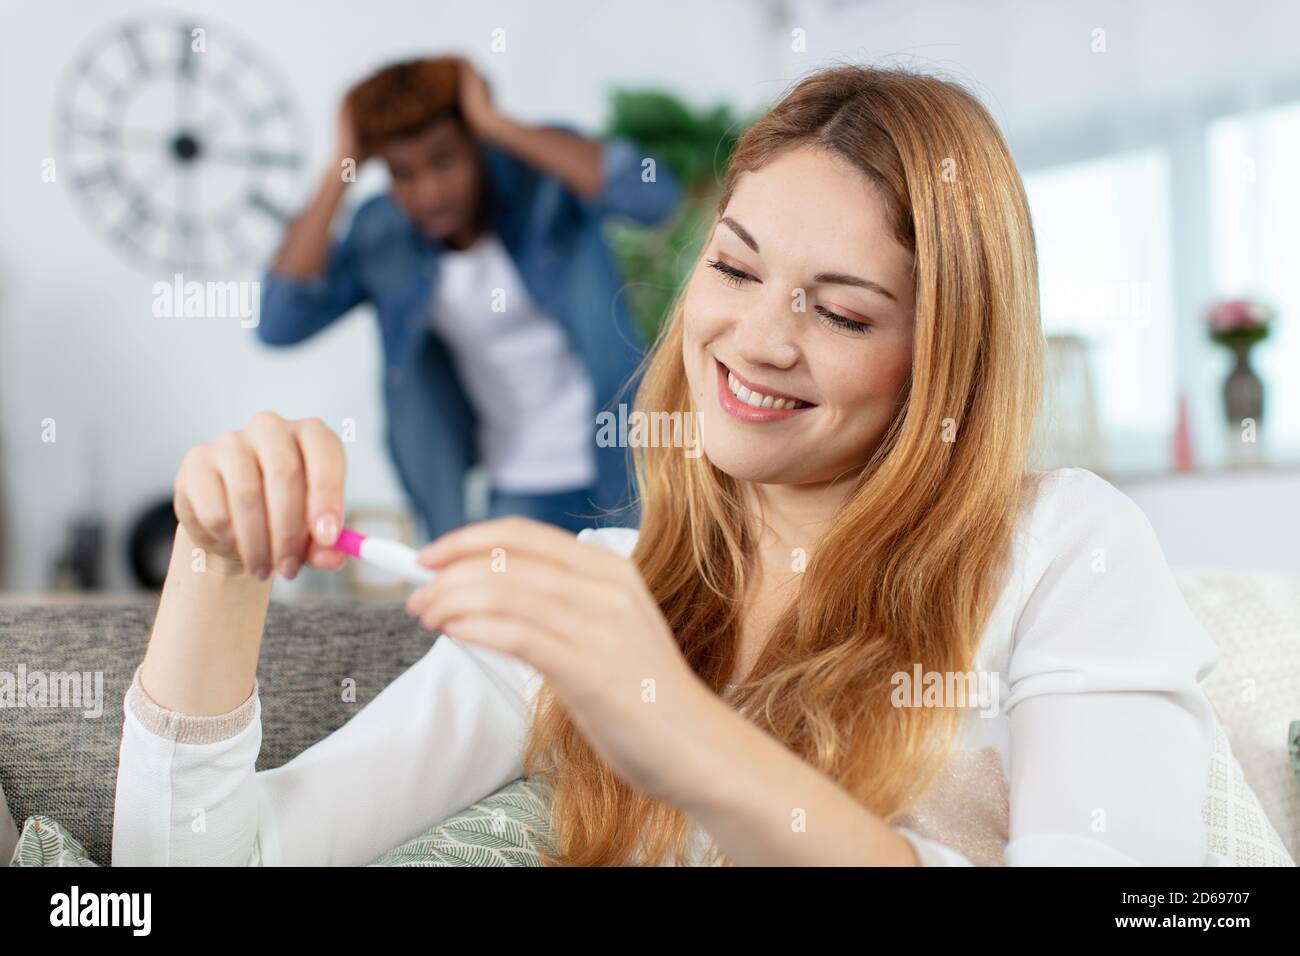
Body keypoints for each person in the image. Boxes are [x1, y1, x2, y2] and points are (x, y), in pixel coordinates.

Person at [112, 65, 1293, 866]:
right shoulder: (592, 588)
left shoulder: (1058, 548)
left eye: (839, 310)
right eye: (732, 270)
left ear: (943, 361)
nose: (757, 338)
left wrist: (675, 726)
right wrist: (217, 570)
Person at [258, 56, 680, 547]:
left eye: (444, 160)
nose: (429, 192)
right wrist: (341, 166)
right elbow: (279, 321)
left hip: (629, 462)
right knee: (501, 618)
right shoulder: (384, 234)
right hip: (520, 482)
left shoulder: (542, 182)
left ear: (477, 146)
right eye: (403, 174)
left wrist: (495, 123)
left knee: (654, 614)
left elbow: (655, 197)